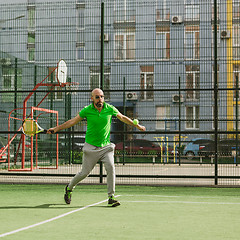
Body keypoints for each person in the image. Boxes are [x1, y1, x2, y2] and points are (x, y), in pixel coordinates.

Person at [47, 88, 146, 207]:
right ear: (92, 98)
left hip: (106, 147)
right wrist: (56, 129)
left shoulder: (109, 108)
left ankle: (111, 196)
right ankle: (69, 188)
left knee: (111, 168)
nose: (100, 99)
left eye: (102, 96)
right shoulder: (87, 110)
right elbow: (72, 122)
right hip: (90, 147)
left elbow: (123, 117)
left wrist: (138, 126)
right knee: (84, 173)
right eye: (97, 97)